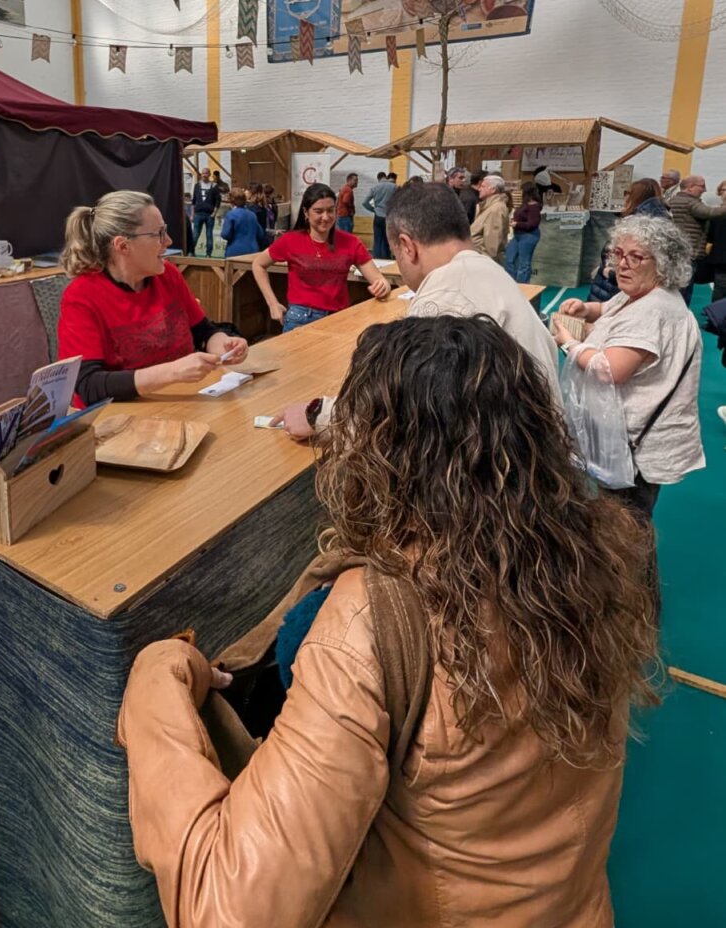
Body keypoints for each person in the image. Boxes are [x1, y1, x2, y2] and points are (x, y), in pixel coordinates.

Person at [117, 315, 659, 928]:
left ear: (377, 450)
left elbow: (228, 909)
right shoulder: (602, 550)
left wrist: (155, 675)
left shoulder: (373, 617)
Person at [274, 183, 558, 438]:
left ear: (408, 247)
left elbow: (397, 407)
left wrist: (317, 416)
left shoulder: (445, 301)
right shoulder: (490, 273)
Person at [553, 215, 704, 520]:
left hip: (637, 447)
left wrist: (568, 342)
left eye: (636, 257)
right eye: (618, 254)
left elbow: (608, 369)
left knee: (627, 530)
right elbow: (607, 308)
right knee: (622, 523)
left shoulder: (653, 310)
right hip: (629, 441)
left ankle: (634, 570)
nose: (622, 264)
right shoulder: (642, 295)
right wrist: (585, 309)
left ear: (663, 264)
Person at [57, 190, 247, 405]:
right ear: (123, 246)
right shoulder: (81, 297)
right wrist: (172, 372)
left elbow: (203, 331)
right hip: (118, 421)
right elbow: (88, 386)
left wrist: (221, 344)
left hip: (178, 404)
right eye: (158, 234)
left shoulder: (169, 275)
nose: (168, 240)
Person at [252, 182, 390, 333]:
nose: (326, 217)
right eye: (318, 211)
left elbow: (379, 280)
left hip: (339, 319)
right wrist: (272, 303)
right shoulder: (290, 240)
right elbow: (258, 264)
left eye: (331, 210)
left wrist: (383, 286)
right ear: (306, 212)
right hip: (300, 320)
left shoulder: (351, 243)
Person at [589, 178, 671, 303]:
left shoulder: (641, 221)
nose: (625, 197)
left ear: (635, 196)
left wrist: (610, 273)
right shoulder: (660, 217)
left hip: (619, 287)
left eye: (628, 194)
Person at [667, 174, 726, 304]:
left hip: (681, 251)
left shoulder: (676, 200)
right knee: (684, 290)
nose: (704, 190)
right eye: (702, 186)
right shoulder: (690, 202)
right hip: (689, 253)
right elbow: (709, 213)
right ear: (690, 187)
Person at [504, 181, 542, 283]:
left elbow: (533, 224)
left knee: (524, 263)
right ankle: (511, 283)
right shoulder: (524, 204)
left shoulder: (534, 206)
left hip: (528, 236)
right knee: (509, 259)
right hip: (518, 235)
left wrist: (517, 224)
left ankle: (522, 287)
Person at [470, 173, 510, 262]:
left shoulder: (496, 209)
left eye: (483, 186)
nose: (479, 189)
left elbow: (492, 246)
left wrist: (487, 262)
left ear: (492, 190)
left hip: (484, 260)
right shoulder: (488, 207)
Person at [362, 171, 397, 259]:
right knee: (386, 239)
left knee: (377, 239)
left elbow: (364, 202)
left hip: (378, 215)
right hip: (388, 216)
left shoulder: (374, 187)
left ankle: (377, 257)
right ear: (385, 177)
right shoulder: (394, 187)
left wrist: (373, 209)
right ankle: (386, 257)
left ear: (378, 178)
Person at [221, 189, 263, 257]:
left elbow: (225, 234)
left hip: (235, 250)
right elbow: (260, 234)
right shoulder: (252, 214)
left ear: (231, 201)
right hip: (253, 251)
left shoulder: (231, 214)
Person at [190, 167, 222, 257]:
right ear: (201, 174)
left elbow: (217, 201)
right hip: (198, 214)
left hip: (209, 215)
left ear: (209, 174)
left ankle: (208, 254)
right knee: (195, 234)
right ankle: (191, 251)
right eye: (203, 173)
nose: (204, 175)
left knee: (209, 235)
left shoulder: (214, 186)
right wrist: (192, 214)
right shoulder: (197, 186)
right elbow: (194, 201)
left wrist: (214, 213)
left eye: (206, 173)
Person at [708, 179, 726, 302]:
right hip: (721, 259)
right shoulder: (715, 213)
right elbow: (710, 236)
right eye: (724, 190)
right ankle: (715, 319)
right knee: (720, 290)